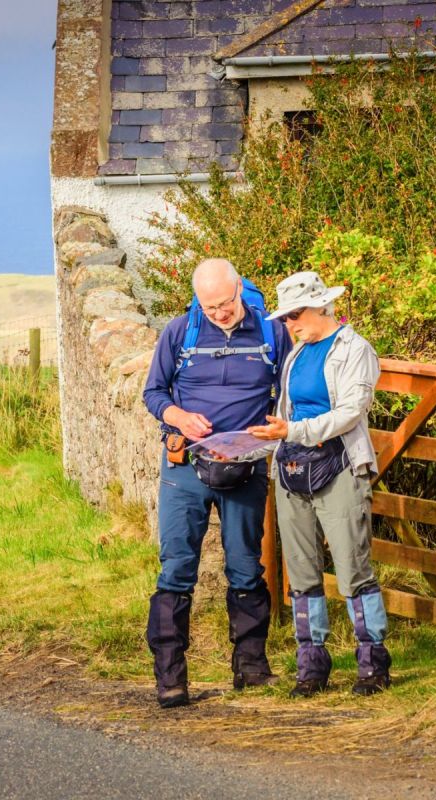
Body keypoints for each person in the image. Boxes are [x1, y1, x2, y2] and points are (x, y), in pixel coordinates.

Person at [141, 258, 292, 708]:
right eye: (210, 308)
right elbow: (153, 393)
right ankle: (170, 678)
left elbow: (289, 390)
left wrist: (277, 430)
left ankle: (251, 667)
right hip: (184, 467)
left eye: (226, 304)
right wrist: (180, 417)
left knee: (246, 567)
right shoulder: (180, 332)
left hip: (245, 468)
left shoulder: (271, 332)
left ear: (240, 290)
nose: (220, 314)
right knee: (176, 569)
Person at [247, 271, 392, 697]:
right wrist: (279, 437)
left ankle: (372, 663)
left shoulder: (355, 349)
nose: (288, 324)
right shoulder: (296, 354)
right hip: (292, 467)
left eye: (294, 315)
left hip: (339, 464)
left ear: (320, 306)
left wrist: (291, 430)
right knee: (303, 572)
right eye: (285, 317)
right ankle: (311, 664)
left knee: (352, 568)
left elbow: (350, 413)